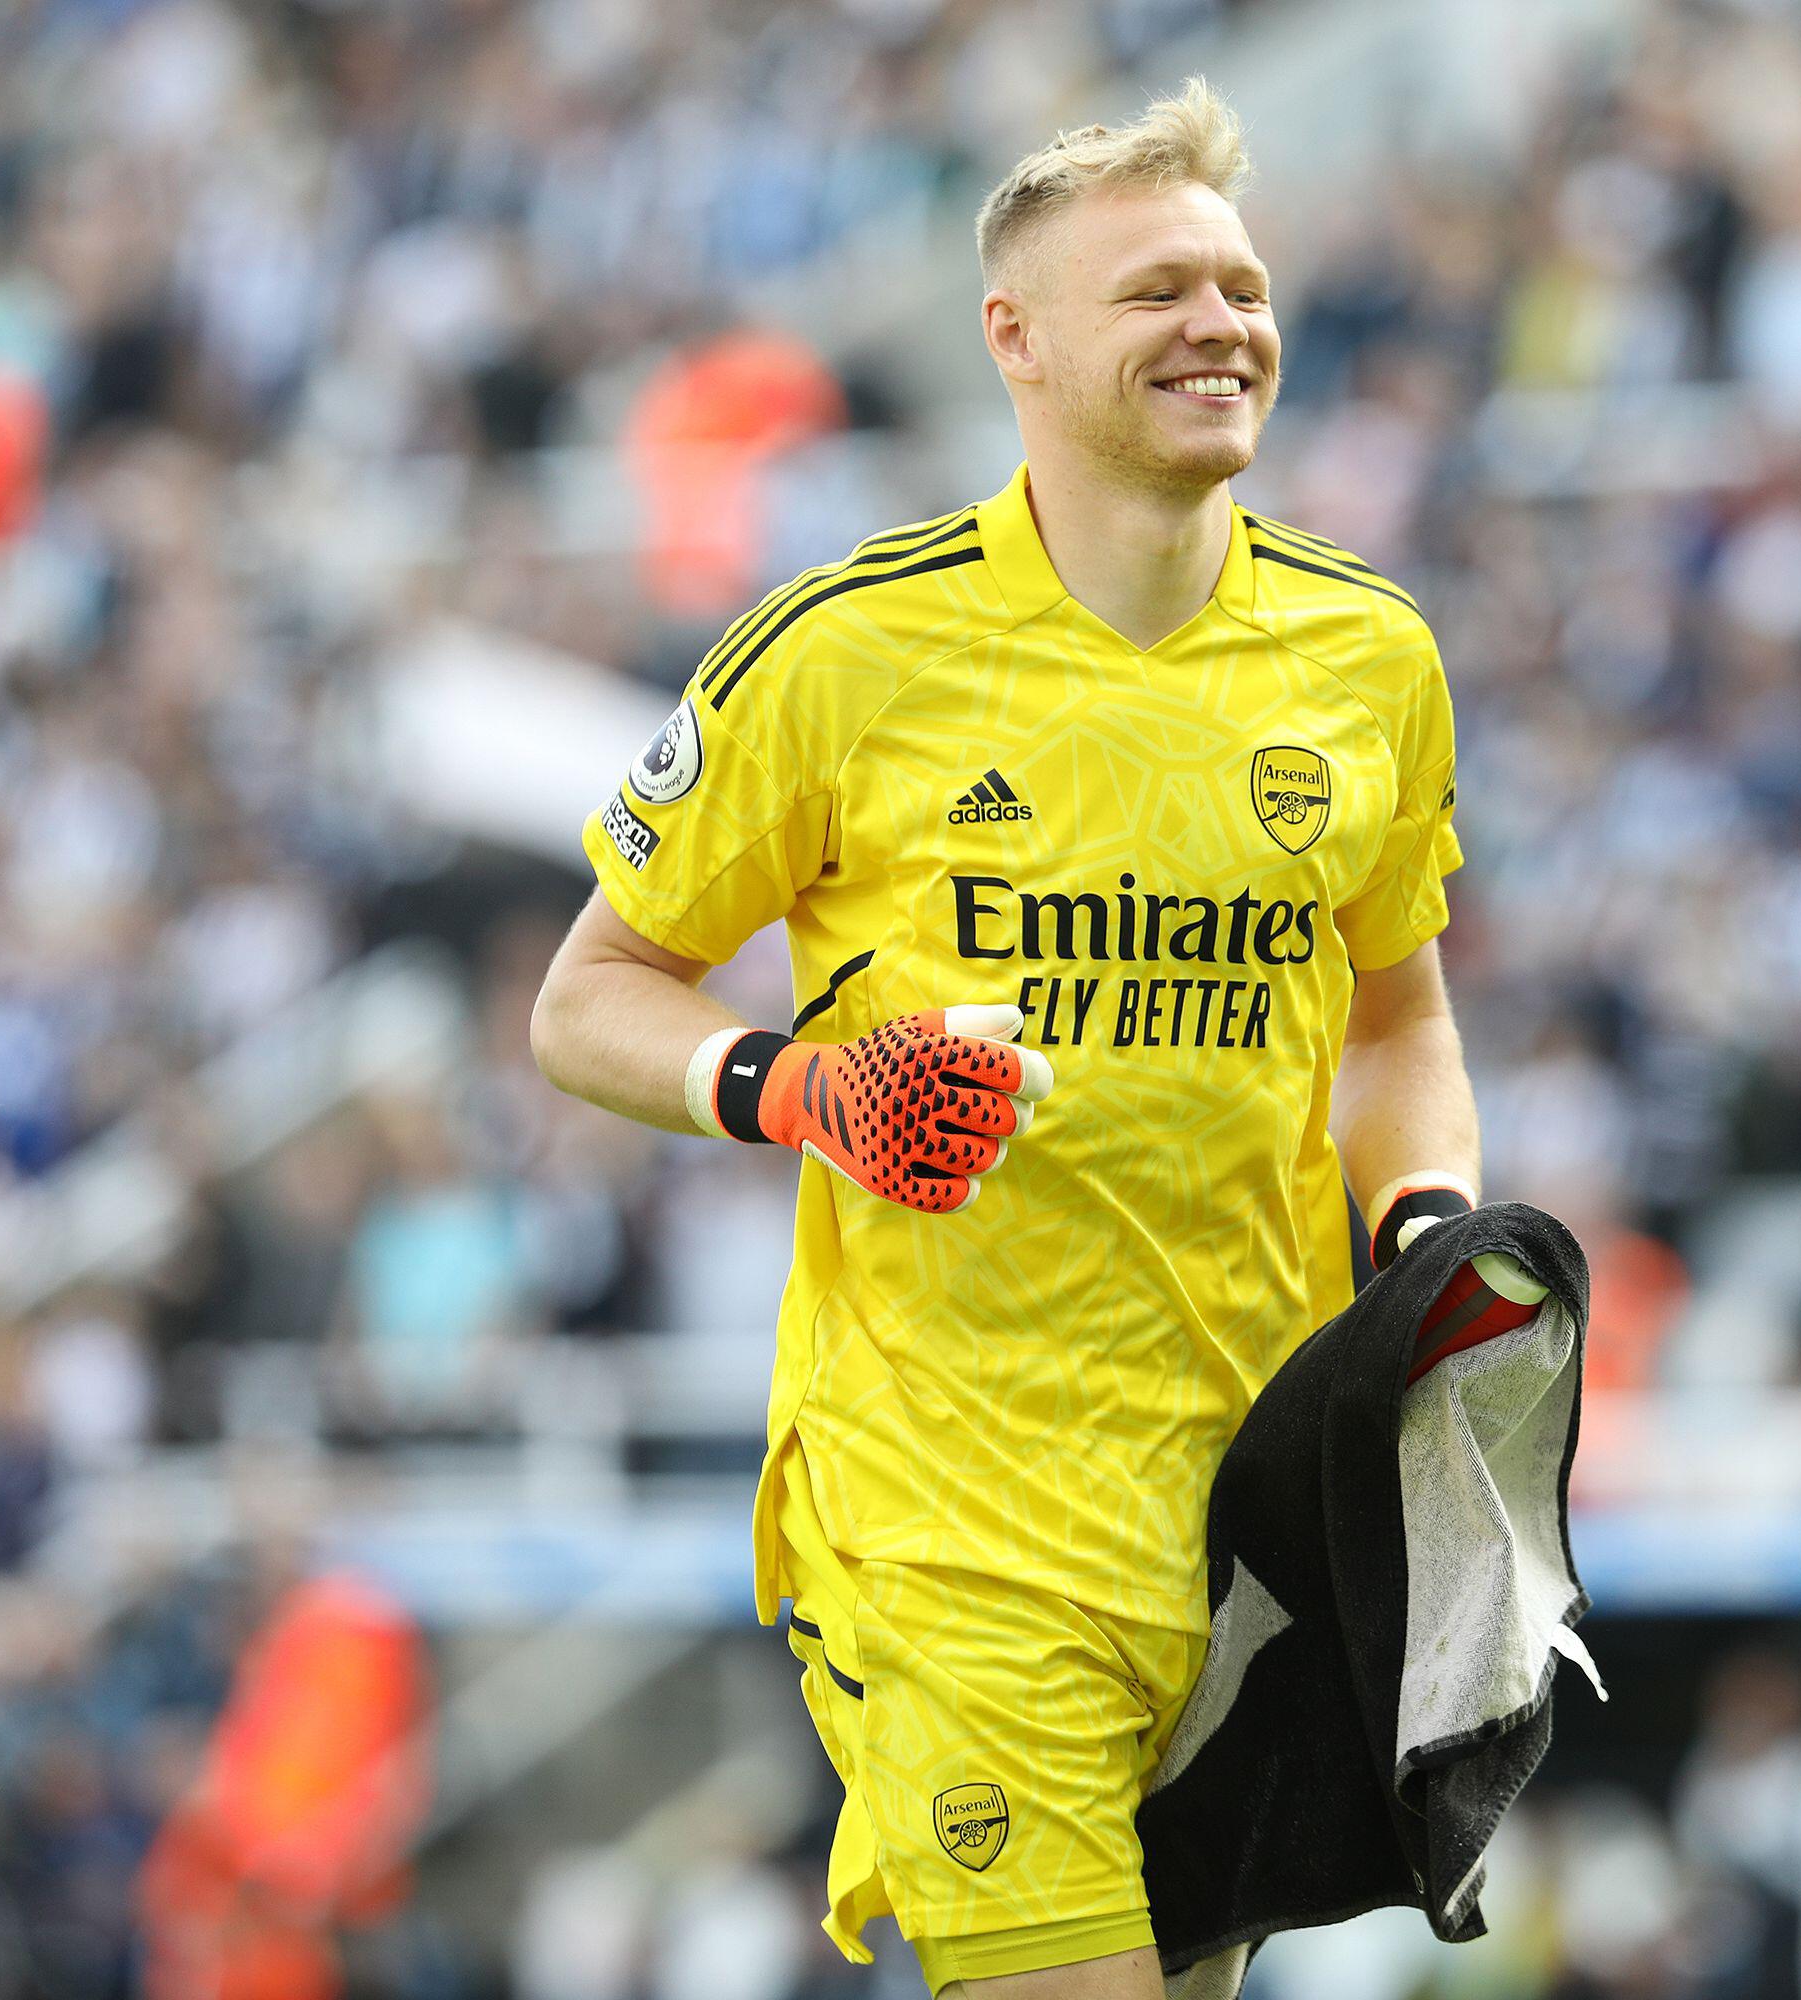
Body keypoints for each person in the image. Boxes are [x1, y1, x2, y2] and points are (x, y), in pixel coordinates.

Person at [528, 79, 1482, 2000]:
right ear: (1015, 339)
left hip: (1250, 1489)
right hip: (950, 1514)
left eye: (1241, 281)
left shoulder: (1368, 653)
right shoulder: (844, 650)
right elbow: (586, 1001)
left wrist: (1426, 1240)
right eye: (1157, 291)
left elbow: (1399, 1029)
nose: (1223, 320)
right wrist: (797, 1088)